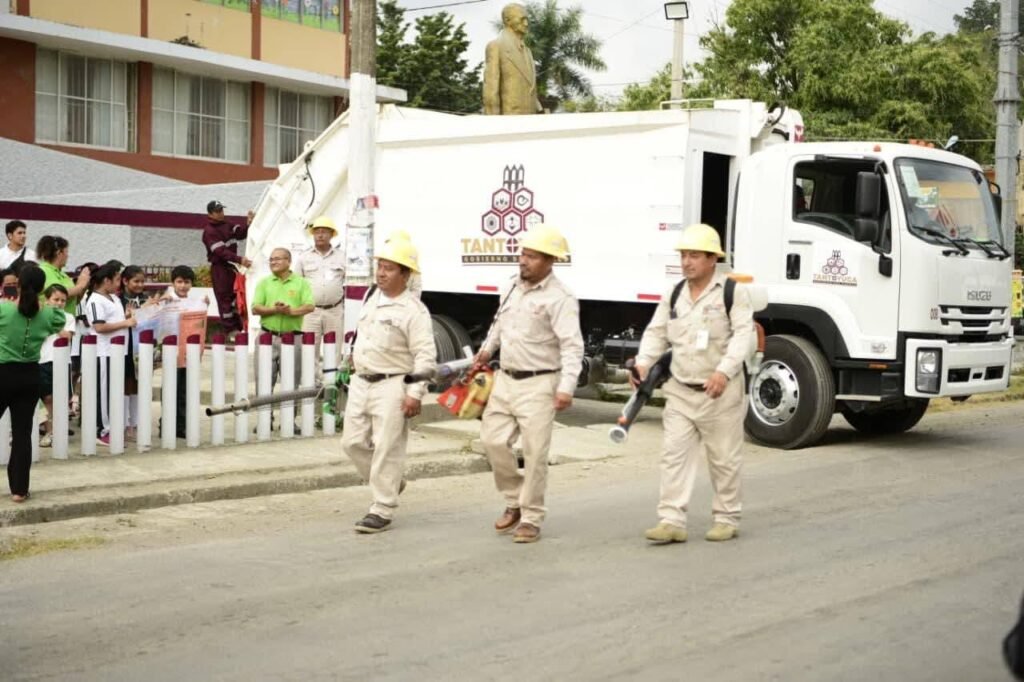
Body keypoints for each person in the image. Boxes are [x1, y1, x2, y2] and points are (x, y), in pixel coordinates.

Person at [634, 223, 755, 545]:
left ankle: (726, 517)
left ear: (712, 259)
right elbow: (657, 332)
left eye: (694, 255)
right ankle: (671, 520)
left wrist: (724, 371)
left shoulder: (731, 292)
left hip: (719, 392)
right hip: (681, 391)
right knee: (673, 456)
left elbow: (744, 335)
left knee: (723, 459)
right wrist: (644, 361)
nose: (687, 262)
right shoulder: (674, 293)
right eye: (684, 255)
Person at [474, 224, 584, 544]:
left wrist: (566, 386)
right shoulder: (511, 286)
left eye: (532, 256)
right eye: (523, 253)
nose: (524, 261)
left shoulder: (561, 299)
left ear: (550, 261)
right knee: (492, 441)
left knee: (535, 453)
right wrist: (486, 350)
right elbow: (499, 324)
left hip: (539, 383)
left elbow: (572, 346)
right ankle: (514, 499)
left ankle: (531, 517)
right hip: (505, 379)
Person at [343, 238, 436, 534]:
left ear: (405, 274)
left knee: (387, 447)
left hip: (392, 383)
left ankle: (382, 507)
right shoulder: (373, 296)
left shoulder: (414, 311)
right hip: (361, 380)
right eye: (379, 266)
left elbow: (425, 356)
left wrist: (415, 393)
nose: (381, 273)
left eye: (389, 268)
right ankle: (392, 481)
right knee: (352, 442)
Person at [0, 264, 67, 502]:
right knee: (22, 434)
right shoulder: (49, 314)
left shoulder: (4, 310)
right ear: (41, 289)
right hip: (30, 375)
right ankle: (19, 489)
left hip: (3, 371)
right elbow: (59, 321)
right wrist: (47, 304)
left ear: (17, 284)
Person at [84, 262, 135, 446]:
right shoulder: (95, 300)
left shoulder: (113, 297)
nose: (119, 283)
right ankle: (102, 430)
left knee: (114, 392)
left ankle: (112, 427)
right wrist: (125, 324)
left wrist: (127, 317)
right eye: (117, 279)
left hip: (118, 352)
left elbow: (115, 321)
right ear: (106, 280)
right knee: (104, 393)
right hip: (103, 353)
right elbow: (99, 326)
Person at [251, 248, 314, 391]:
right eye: (271, 259)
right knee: (263, 383)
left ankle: (290, 414)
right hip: (267, 336)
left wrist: (290, 311)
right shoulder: (264, 283)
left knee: (291, 384)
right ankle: (266, 414)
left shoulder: (301, 283)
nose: (273, 262)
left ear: (289, 261)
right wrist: (275, 309)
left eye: (278, 259)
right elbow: (255, 308)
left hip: (292, 338)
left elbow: (310, 306)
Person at [160, 265, 208, 439]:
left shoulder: (194, 302)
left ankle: (181, 425)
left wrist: (204, 305)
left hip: (188, 353)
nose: (183, 286)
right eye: (179, 282)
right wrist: (161, 302)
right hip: (171, 352)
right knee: (170, 388)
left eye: (186, 282)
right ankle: (166, 424)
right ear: (173, 283)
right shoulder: (166, 300)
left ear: (191, 284)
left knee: (184, 390)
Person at [296, 216, 346, 377]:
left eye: (324, 232)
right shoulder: (304, 257)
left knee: (335, 348)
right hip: (311, 311)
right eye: (317, 232)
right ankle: (312, 383)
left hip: (335, 310)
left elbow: (349, 281)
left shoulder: (342, 256)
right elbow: (297, 284)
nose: (320, 235)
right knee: (310, 348)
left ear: (332, 234)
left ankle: (332, 383)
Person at [201, 200, 253, 335]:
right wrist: (239, 259)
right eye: (217, 211)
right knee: (225, 300)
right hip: (220, 269)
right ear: (210, 214)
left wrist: (248, 224)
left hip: (232, 268)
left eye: (222, 210)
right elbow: (221, 252)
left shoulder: (227, 224)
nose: (221, 213)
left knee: (235, 297)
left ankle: (240, 328)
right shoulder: (209, 231)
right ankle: (230, 331)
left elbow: (241, 234)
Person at [483, 3, 543, 115]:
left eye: (527, 19)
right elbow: (491, 92)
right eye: (522, 19)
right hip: (509, 121)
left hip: (531, 120)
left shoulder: (528, 52)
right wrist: (492, 124)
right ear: (507, 20)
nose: (526, 24)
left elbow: (531, 88)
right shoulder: (496, 46)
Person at [38, 284, 75, 447]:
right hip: (42, 360)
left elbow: (67, 336)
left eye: (63, 300)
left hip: (61, 361)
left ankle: (57, 431)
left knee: (60, 398)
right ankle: (49, 429)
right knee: (45, 397)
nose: (59, 303)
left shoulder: (68, 318)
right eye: (56, 299)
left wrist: (55, 321)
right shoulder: (39, 316)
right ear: (47, 300)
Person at [36, 236, 90, 316]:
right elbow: (57, 293)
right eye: (66, 252)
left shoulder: (63, 274)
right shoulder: (42, 271)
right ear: (59, 253)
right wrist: (80, 285)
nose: (67, 256)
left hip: (67, 323)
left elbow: (73, 301)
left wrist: (85, 284)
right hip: (50, 322)